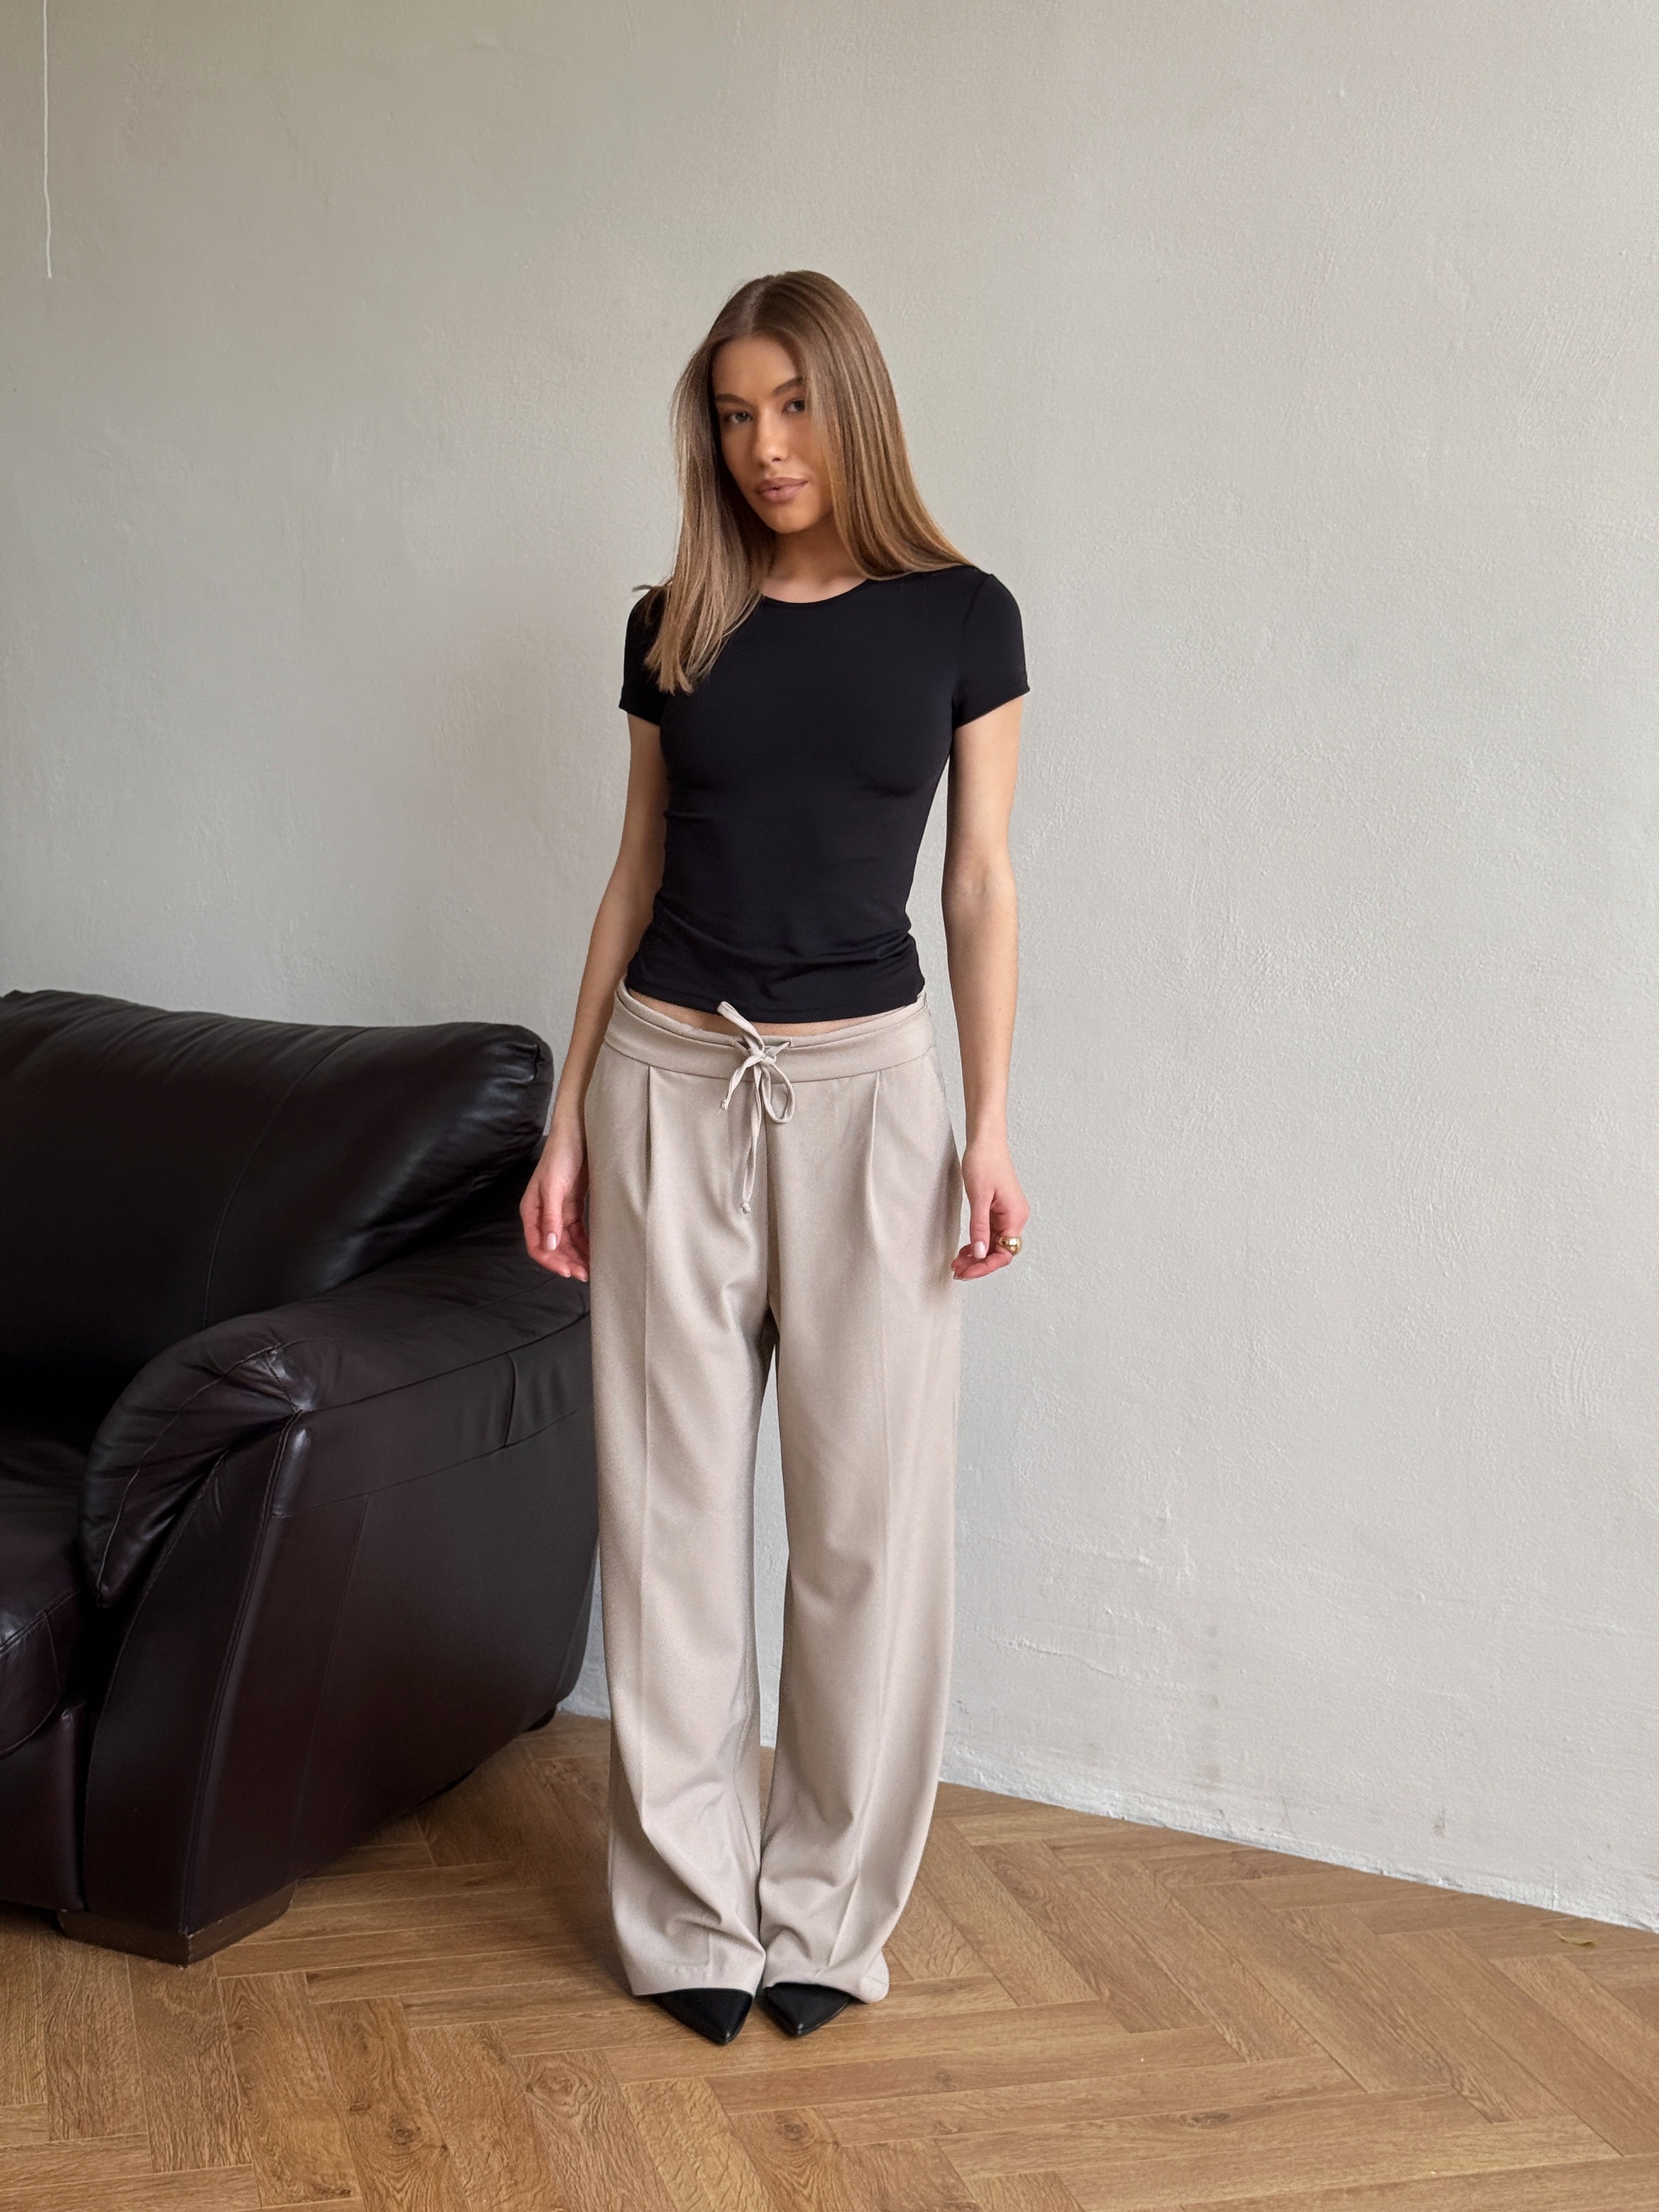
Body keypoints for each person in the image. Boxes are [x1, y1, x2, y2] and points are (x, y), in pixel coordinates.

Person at [520, 269, 1030, 2047]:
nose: (765, 446)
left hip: (870, 1101)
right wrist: (567, 1118)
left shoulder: (963, 617)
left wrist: (991, 1121)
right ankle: (686, 1921)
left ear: (852, 406)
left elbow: (980, 883)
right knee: (670, 1524)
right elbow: (636, 871)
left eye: (794, 406)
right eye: (735, 415)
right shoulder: (674, 621)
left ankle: (824, 1911)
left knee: (864, 1529)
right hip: (668, 1081)